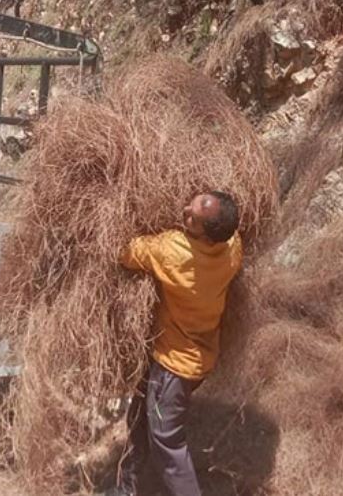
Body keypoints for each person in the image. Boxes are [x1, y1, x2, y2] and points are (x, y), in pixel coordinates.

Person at [109, 191, 243, 496]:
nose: (184, 211)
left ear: (207, 235)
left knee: (168, 443)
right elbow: (233, 234)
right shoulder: (232, 250)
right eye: (191, 204)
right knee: (140, 417)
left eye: (191, 218)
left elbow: (125, 252)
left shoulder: (174, 252)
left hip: (173, 369)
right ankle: (127, 488)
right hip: (198, 360)